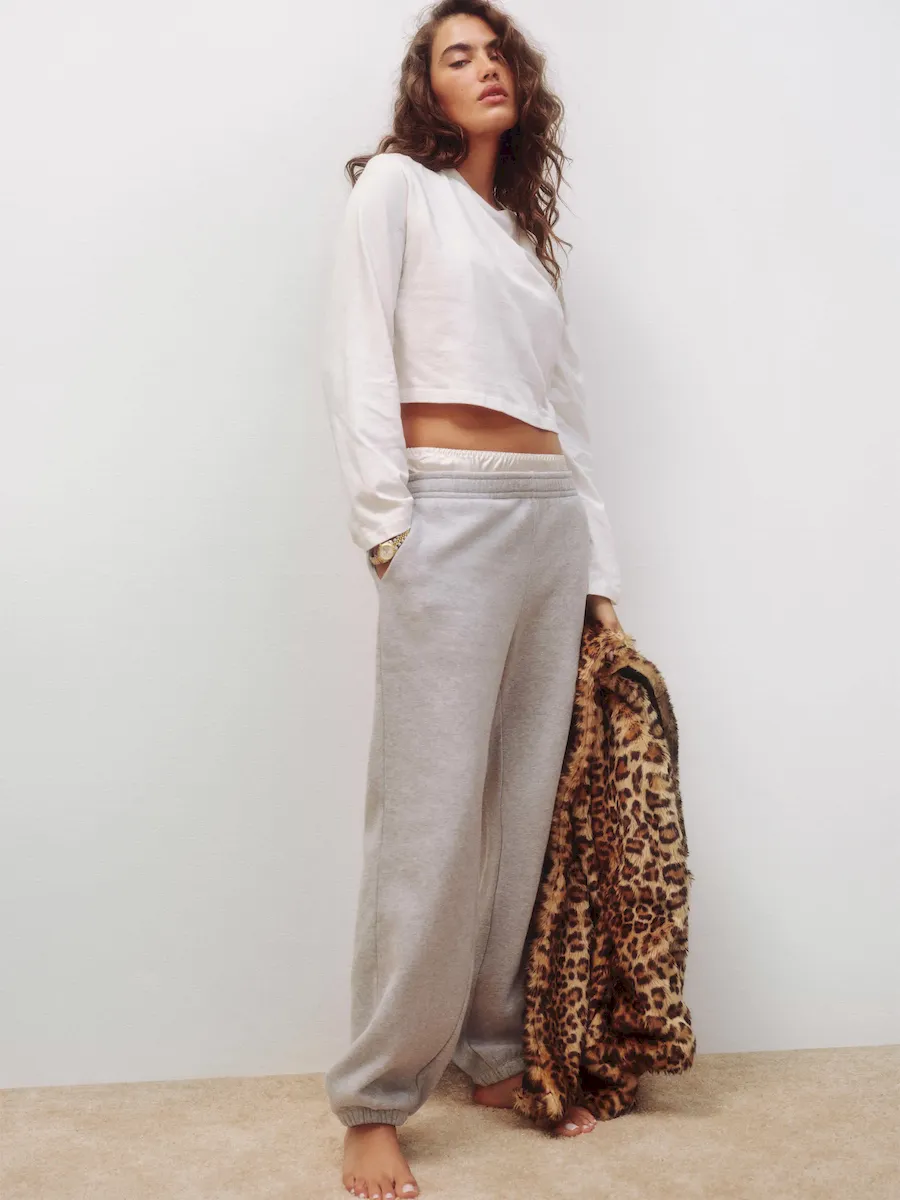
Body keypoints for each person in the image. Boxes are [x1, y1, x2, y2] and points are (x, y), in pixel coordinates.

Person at [320, 4, 627, 1197]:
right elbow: (356, 351)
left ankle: (494, 1053)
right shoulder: (396, 188)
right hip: (445, 512)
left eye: (497, 53)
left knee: (519, 812)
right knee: (430, 816)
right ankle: (375, 1095)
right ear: (427, 88)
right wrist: (386, 524)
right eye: (459, 55)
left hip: (547, 523)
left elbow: (571, 413)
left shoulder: (521, 239)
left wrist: (599, 577)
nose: (485, 67)